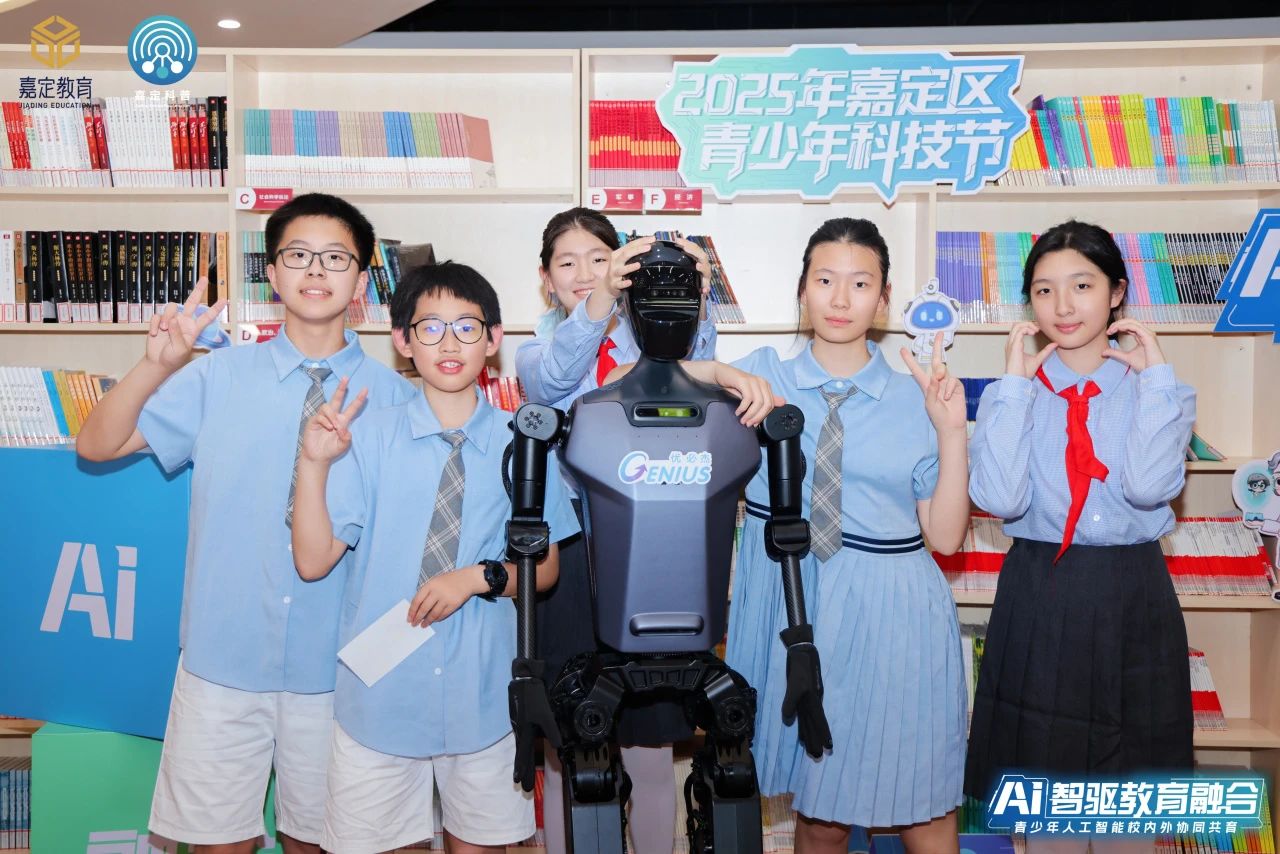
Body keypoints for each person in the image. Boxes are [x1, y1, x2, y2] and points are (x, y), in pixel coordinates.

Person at [76, 193, 416, 853]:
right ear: (272, 273)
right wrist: (157, 365)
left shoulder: (397, 399)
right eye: (298, 254)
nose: (315, 270)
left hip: (340, 671)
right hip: (222, 660)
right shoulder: (219, 377)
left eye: (336, 258)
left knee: (324, 842)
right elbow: (97, 445)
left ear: (362, 278)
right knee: (216, 843)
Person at [291, 261, 580, 854]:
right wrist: (314, 464)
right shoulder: (367, 438)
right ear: (403, 341)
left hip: (484, 700)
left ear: (493, 339)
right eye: (430, 328)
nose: (450, 344)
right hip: (379, 700)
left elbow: (546, 569)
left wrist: (477, 578)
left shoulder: (526, 445)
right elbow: (313, 561)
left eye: (467, 327)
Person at [725, 217, 971, 854]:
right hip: (800, 605)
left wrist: (952, 432)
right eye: (824, 280)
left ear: (884, 299)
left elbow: (946, 538)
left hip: (895, 611)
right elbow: (650, 377)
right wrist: (726, 377)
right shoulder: (764, 374)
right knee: (822, 816)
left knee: (926, 809)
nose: (840, 299)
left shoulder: (915, 395)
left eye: (860, 284)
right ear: (801, 290)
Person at [964, 220, 1197, 854]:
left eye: (1083, 285)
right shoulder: (1012, 395)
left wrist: (1155, 380)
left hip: (1132, 592)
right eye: (1044, 291)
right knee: (1047, 813)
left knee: (1131, 812)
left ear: (1117, 293)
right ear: (1029, 304)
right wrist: (1014, 389)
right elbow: (1000, 500)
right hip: (1040, 590)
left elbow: (1149, 488)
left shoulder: (1161, 390)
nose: (1063, 306)